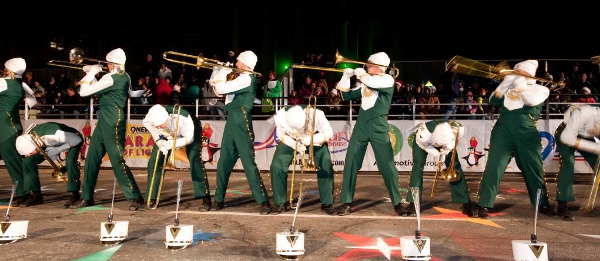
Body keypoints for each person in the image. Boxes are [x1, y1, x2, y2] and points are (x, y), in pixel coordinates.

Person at [475, 60, 552, 218]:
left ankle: (541, 202)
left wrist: (518, 84)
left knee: (533, 168)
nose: (514, 72)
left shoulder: (541, 89)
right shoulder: (509, 85)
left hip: (526, 131)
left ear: (527, 73)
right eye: (514, 70)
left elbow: (530, 100)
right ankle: (484, 203)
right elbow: (493, 100)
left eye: (518, 71)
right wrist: (506, 82)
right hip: (503, 129)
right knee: (494, 166)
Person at [332, 52, 403, 216]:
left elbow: (371, 81)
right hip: (361, 126)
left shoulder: (387, 80)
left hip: (378, 126)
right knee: (350, 163)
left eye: (369, 64)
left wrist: (361, 74)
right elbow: (345, 95)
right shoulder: (365, 82)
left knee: (386, 165)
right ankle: (346, 201)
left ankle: (398, 202)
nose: (366, 66)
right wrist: (345, 77)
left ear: (379, 67)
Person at [75, 48, 145, 210]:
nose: (106, 65)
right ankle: (86, 196)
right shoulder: (124, 76)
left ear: (113, 64)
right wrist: (91, 74)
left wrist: (91, 73)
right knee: (91, 158)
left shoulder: (110, 77)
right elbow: (128, 93)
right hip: (105, 120)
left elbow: (83, 92)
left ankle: (135, 197)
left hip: (112, 120)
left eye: (108, 63)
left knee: (116, 159)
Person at [208, 50, 272, 215]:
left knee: (248, 162)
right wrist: (217, 70)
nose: (235, 64)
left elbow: (221, 88)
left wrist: (222, 71)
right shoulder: (240, 77)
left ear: (245, 63)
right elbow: (216, 91)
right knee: (224, 161)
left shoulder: (246, 78)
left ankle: (263, 200)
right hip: (233, 120)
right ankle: (219, 199)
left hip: (241, 120)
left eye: (238, 62)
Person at [143, 104, 212, 211]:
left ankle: (205, 197)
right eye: (155, 125)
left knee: (194, 158)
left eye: (159, 125)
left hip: (190, 132)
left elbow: (188, 139)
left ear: (166, 118)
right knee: (154, 161)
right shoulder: (148, 120)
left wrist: (170, 144)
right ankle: (151, 197)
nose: (157, 127)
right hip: (166, 134)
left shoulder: (183, 118)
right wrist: (160, 143)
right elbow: (156, 132)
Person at [270, 105, 336, 215]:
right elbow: (280, 134)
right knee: (276, 165)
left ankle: (327, 202)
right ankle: (279, 203)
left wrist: (310, 139)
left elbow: (329, 133)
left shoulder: (316, 113)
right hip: (291, 139)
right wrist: (294, 144)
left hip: (314, 137)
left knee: (325, 164)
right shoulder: (281, 116)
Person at [404, 120, 475, 217]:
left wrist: (446, 150)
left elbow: (455, 142)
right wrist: (437, 153)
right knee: (417, 167)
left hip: (448, 144)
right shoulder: (423, 135)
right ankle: (413, 202)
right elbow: (423, 145)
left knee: (454, 166)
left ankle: (465, 202)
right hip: (425, 144)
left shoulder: (458, 129)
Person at [15, 122, 83, 208]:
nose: (28, 155)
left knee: (70, 162)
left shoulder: (55, 135)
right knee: (27, 161)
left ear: (32, 147)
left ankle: (75, 194)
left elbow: (77, 139)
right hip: (49, 144)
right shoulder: (28, 137)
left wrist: (57, 150)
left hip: (73, 139)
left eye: (29, 153)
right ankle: (36, 195)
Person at [553, 104, 600, 221]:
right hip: (567, 133)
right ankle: (562, 204)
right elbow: (567, 138)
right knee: (568, 163)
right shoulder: (585, 112)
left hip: (585, 136)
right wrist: (595, 148)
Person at [1, 58, 36, 206]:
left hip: (3, 127)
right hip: (14, 124)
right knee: (17, 161)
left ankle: (24, 193)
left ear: (9, 70)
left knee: (12, 162)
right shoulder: (22, 85)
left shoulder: (3, 83)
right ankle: (27, 191)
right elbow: (33, 102)